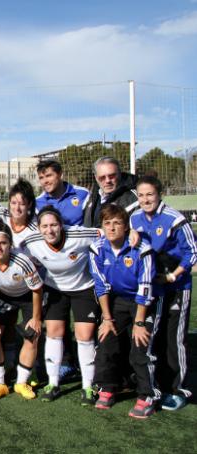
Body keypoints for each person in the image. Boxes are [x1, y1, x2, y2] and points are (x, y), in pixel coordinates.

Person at [130, 175, 197, 411]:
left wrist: (173, 275)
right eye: (141, 195)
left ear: (159, 194)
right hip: (152, 288)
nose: (145, 199)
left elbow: (193, 252)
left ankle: (180, 390)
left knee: (174, 338)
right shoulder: (134, 217)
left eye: (150, 194)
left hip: (176, 287)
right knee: (153, 336)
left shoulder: (174, 219)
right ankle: (156, 381)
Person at [20, 206, 100, 404]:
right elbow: (17, 249)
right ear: (38, 228)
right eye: (45, 226)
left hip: (84, 288)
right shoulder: (32, 241)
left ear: (62, 225)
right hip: (54, 288)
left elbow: (104, 232)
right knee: (54, 332)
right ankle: (53, 383)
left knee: (85, 335)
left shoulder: (79, 234)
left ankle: (88, 386)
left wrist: (131, 233)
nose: (50, 230)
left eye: (54, 225)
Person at [89, 204, 159, 419]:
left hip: (142, 304)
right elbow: (100, 286)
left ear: (126, 227)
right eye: (107, 223)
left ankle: (147, 396)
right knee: (106, 339)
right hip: (115, 302)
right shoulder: (97, 248)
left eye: (117, 223)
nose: (112, 228)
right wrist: (107, 319)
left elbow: (145, 287)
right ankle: (108, 387)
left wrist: (139, 323)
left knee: (140, 347)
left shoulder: (142, 249)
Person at [0, 222, 43, 400]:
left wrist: (36, 318)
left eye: (3, 243)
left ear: (10, 243)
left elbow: (37, 289)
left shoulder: (23, 261)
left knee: (32, 333)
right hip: (4, 296)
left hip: (28, 296)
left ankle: (21, 382)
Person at [83, 157, 138, 228]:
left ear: (119, 174)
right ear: (96, 178)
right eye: (102, 177)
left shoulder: (134, 198)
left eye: (112, 176)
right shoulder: (91, 197)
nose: (107, 181)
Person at [35, 160, 89, 226]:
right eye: (41, 178)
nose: (45, 181)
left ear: (60, 174)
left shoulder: (83, 193)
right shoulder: (37, 203)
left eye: (48, 176)